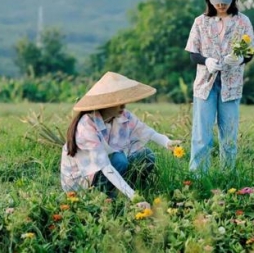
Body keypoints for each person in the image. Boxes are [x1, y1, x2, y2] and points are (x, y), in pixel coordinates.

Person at [60, 71, 181, 208]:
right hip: (82, 182)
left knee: (146, 155)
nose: (123, 105)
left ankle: (125, 193)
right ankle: (110, 198)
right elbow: (105, 166)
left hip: (109, 169)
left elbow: (145, 131)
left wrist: (167, 143)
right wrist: (133, 197)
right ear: (106, 103)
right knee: (119, 159)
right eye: (118, 102)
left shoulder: (123, 116)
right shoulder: (86, 125)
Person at [185, 0, 254, 173]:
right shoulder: (200, 22)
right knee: (202, 136)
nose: (222, 4)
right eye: (217, 0)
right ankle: (198, 178)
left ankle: (228, 177)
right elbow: (193, 53)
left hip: (231, 85)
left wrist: (240, 59)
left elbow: (249, 52)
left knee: (229, 136)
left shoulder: (243, 22)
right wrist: (206, 61)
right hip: (205, 85)